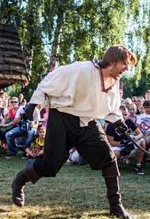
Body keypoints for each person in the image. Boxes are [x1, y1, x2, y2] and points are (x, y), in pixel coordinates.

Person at [11, 45, 137, 219]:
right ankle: (19, 180)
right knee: (50, 165)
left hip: (87, 123)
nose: (127, 68)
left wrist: (119, 122)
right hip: (62, 118)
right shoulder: (82, 69)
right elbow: (50, 80)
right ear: (113, 60)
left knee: (108, 158)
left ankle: (116, 205)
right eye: (124, 64)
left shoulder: (115, 83)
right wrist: (33, 103)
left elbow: (111, 108)